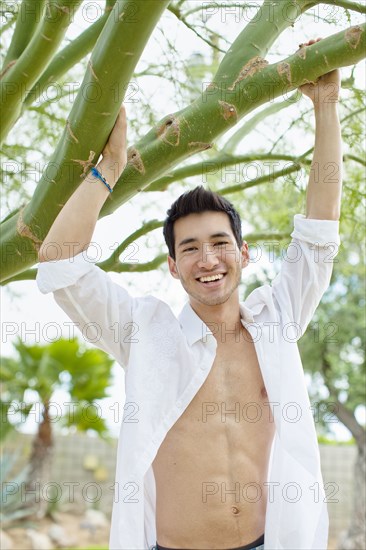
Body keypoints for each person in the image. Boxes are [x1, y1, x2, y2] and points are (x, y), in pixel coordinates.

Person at [36, 45, 342, 550]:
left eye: (220, 243)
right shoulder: (144, 331)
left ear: (243, 254)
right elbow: (59, 262)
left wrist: (326, 105)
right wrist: (108, 170)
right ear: (173, 266)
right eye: (191, 249)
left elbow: (319, 232)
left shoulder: (277, 319)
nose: (209, 260)